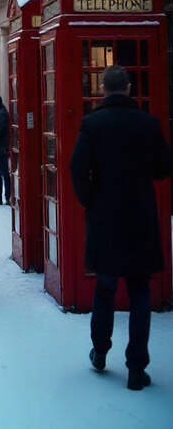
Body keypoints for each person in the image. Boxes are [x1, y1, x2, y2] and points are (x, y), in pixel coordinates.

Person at [69, 65, 172, 391]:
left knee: (105, 288)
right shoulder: (148, 124)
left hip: (105, 217)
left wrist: (91, 200)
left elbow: (77, 169)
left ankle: (100, 351)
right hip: (140, 216)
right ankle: (136, 368)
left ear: (103, 89)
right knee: (140, 292)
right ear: (128, 88)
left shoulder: (92, 124)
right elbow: (164, 167)